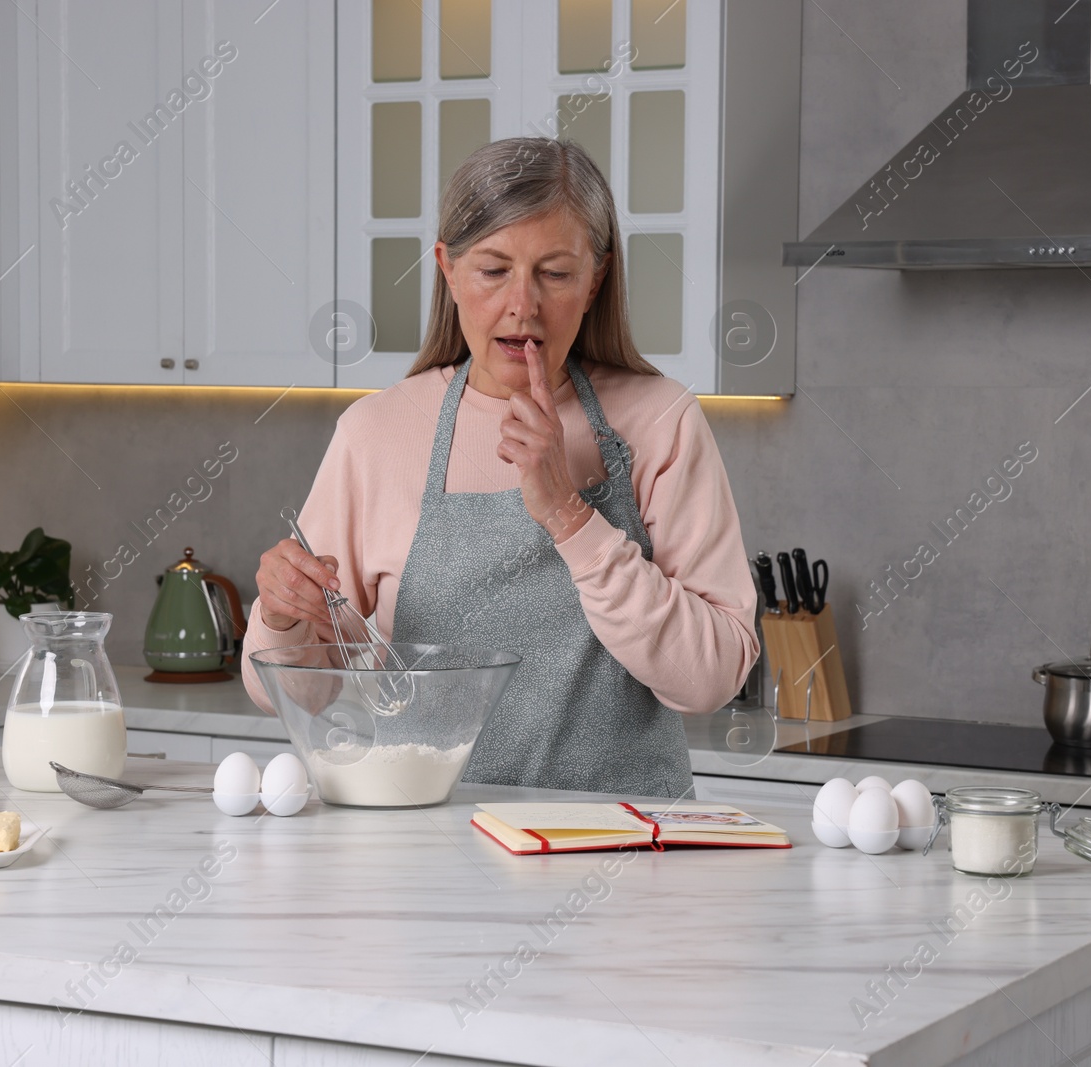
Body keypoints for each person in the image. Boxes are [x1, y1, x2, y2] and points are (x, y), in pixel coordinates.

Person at [242, 137, 757, 799]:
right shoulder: (376, 434)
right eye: (493, 270)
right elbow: (298, 693)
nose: (523, 304)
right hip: (428, 853)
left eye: (555, 272)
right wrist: (283, 618)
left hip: (624, 855)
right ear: (447, 270)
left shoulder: (660, 422)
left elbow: (712, 679)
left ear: (595, 279)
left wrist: (570, 516)